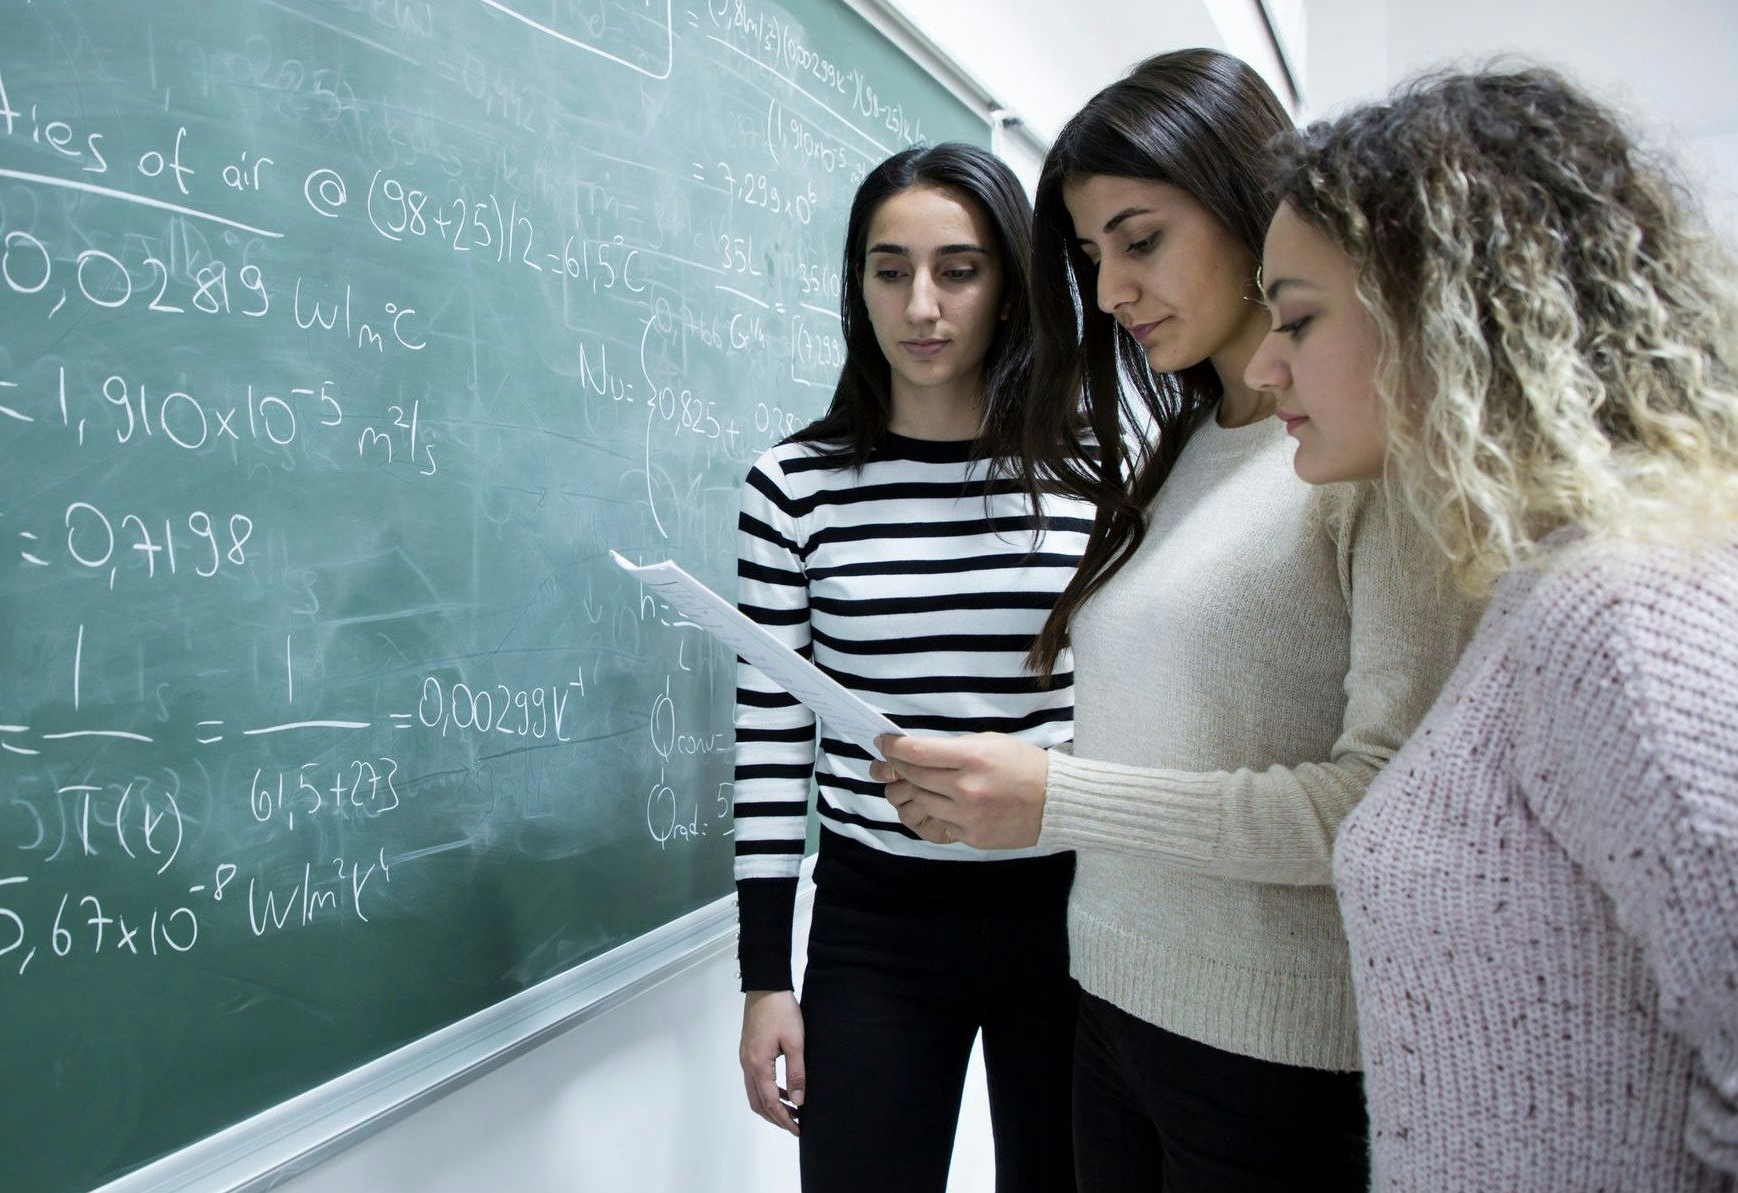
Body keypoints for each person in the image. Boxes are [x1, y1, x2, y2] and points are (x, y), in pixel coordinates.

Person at [870, 50, 1483, 1191]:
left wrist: (1055, 795)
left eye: (1140, 240)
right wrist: (1001, 783)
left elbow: (1377, 806)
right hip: (1107, 1004)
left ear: (1255, 203)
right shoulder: (1187, 444)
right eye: (1094, 255)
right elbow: (1171, 736)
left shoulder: (1367, 448)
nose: (1107, 291)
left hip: (1271, 1051)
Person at [1249, 65, 1738, 1189]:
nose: (1268, 363)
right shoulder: (1536, 587)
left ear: (1453, 306)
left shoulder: (1621, 610)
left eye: (1300, 318)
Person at [730, 141, 1090, 1191]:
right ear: (859, 284)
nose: (921, 304)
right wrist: (764, 976)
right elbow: (768, 735)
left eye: (958, 270)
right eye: (890, 270)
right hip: (874, 923)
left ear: (1009, 285)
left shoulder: (1092, 473)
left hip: (1072, 913)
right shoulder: (791, 487)